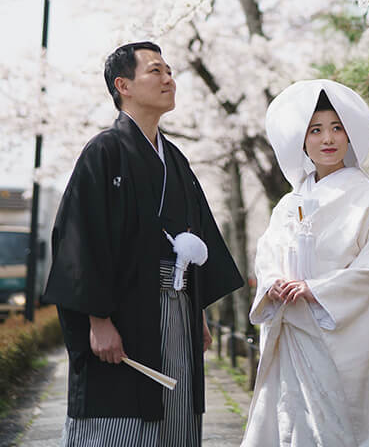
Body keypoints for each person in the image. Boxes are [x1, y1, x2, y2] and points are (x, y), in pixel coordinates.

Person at [44, 41, 244, 447]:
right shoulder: (104, 152)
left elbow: (197, 234)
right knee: (120, 423)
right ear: (124, 85)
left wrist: (197, 311)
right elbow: (78, 237)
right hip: (122, 311)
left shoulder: (175, 159)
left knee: (176, 413)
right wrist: (96, 320)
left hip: (176, 309)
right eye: (156, 71)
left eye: (170, 70)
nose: (169, 79)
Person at [242, 78, 369, 447]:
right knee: (291, 420)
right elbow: (267, 253)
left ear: (349, 136)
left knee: (339, 423)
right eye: (316, 130)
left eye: (337, 128)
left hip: (339, 326)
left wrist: (317, 290)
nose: (328, 139)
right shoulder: (288, 202)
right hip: (293, 322)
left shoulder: (366, 195)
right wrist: (274, 282)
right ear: (302, 141)